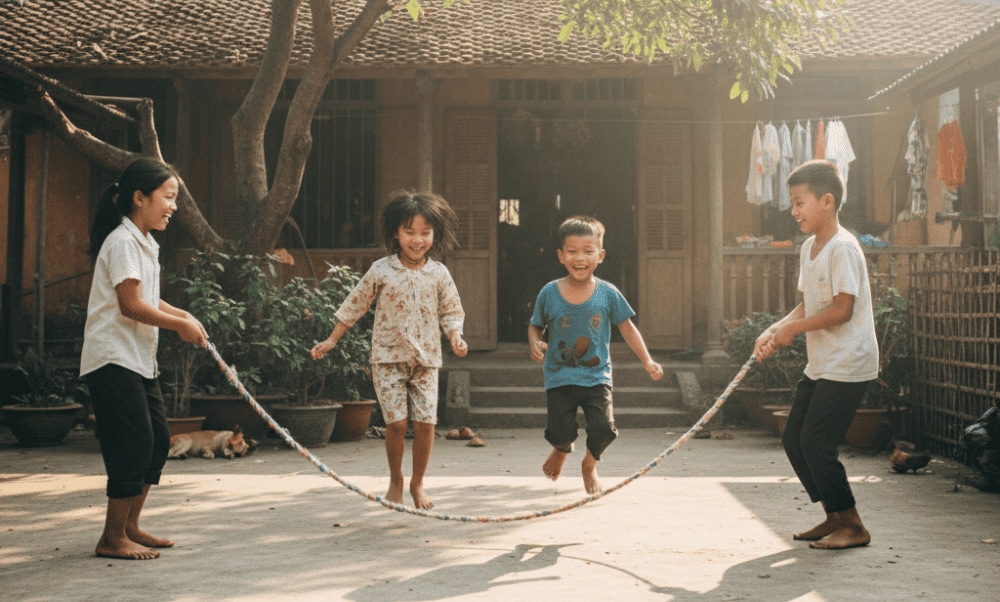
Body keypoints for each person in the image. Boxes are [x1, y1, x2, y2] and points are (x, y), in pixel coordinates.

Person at [80, 158, 208, 560]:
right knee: (133, 443)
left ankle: (129, 526)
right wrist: (178, 326)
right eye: (168, 197)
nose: (174, 206)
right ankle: (111, 537)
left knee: (156, 442)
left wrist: (183, 314)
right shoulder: (122, 241)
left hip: (136, 359)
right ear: (139, 198)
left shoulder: (143, 243)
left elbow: (147, 297)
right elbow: (131, 305)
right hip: (112, 358)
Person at [311, 190, 467, 510]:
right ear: (396, 232)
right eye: (409, 232)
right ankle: (396, 480)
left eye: (425, 232)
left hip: (426, 360)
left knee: (426, 424)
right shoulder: (381, 269)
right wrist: (332, 339)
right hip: (387, 358)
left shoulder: (439, 273)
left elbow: (452, 310)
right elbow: (356, 303)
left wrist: (456, 336)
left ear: (434, 234)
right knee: (396, 424)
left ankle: (417, 483)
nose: (417, 240)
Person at [753, 159, 877, 550]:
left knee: (816, 442)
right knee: (795, 438)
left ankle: (853, 526)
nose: (794, 211)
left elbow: (842, 310)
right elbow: (809, 304)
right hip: (823, 362)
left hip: (849, 361)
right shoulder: (810, 247)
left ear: (827, 201)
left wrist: (793, 330)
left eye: (799, 202)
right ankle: (833, 516)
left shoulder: (844, 248)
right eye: (792, 203)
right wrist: (775, 328)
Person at [528, 215, 663, 494]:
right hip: (559, 376)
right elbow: (536, 325)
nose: (580, 258)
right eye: (572, 251)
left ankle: (589, 464)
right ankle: (561, 449)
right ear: (561, 256)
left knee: (603, 428)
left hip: (596, 376)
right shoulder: (550, 293)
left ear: (600, 256)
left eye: (588, 251)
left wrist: (647, 360)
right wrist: (535, 342)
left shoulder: (607, 293)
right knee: (559, 431)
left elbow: (627, 328)